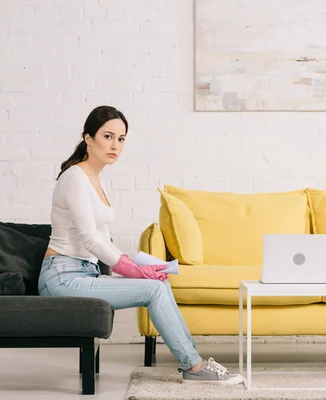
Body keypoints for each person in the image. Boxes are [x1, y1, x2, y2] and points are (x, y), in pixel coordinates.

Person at [38, 105, 243, 385]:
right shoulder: (75, 177)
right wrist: (135, 271)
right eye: (107, 136)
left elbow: (103, 238)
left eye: (121, 139)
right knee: (153, 289)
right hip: (61, 277)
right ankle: (194, 367)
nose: (115, 145)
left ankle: (193, 363)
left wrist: (141, 265)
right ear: (88, 138)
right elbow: (89, 238)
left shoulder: (96, 180)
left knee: (160, 283)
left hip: (84, 273)